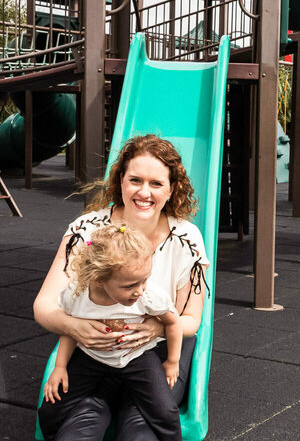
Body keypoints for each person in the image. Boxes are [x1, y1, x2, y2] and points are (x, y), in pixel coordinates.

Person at [34, 134, 209, 440]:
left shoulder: (187, 238)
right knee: (77, 414)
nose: (144, 192)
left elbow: (192, 319)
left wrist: (155, 330)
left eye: (156, 183)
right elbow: (45, 306)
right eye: (135, 180)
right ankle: (91, 411)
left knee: (141, 419)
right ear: (120, 181)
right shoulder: (87, 230)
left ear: (171, 189)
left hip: (156, 348)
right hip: (94, 346)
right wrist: (75, 326)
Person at [39, 223, 183, 441]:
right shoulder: (77, 295)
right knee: (51, 408)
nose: (140, 290)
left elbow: (173, 323)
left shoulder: (149, 295)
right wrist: (60, 367)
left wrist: (173, 361)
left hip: (136, 357)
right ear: (98, 278)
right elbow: (70, 330)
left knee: (166, 411)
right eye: (130, 285)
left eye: (145, 279)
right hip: (91, 357)